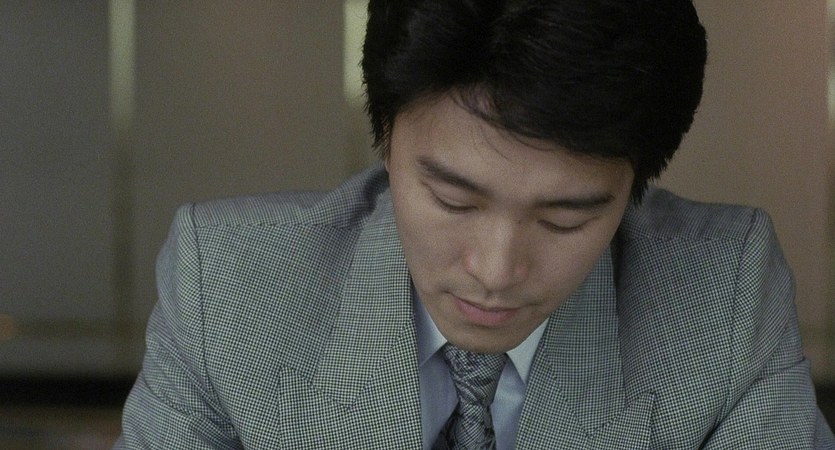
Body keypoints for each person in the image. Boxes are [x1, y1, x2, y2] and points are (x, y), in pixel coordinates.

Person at [116, 0, 834, 448]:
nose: (496, 269)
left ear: (635, 188)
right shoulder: (230, 284)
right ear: (386, 143)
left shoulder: (722, 296)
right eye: (453, 201)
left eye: (564, 218)